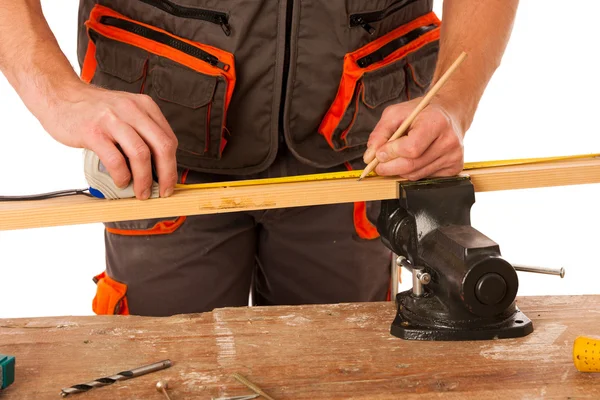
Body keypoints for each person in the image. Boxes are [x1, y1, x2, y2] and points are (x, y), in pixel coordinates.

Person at [0, 0, 519, 316]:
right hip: (161, 151)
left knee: (338, 373)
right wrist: (55, 93)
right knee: (165, 369)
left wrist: (454, 100)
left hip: (358, 149)